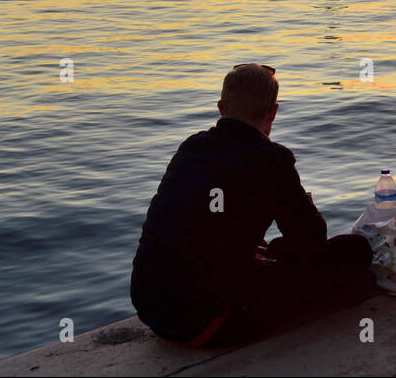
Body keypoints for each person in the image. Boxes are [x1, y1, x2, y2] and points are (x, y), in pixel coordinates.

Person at [130, 64, 374, 347]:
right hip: (206, 322)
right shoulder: (271, 159)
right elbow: (312, 240)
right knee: (354, 251)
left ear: (221, 107)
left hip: (151, 308)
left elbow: (202, 228)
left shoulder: (191, 147)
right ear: (273, 112)